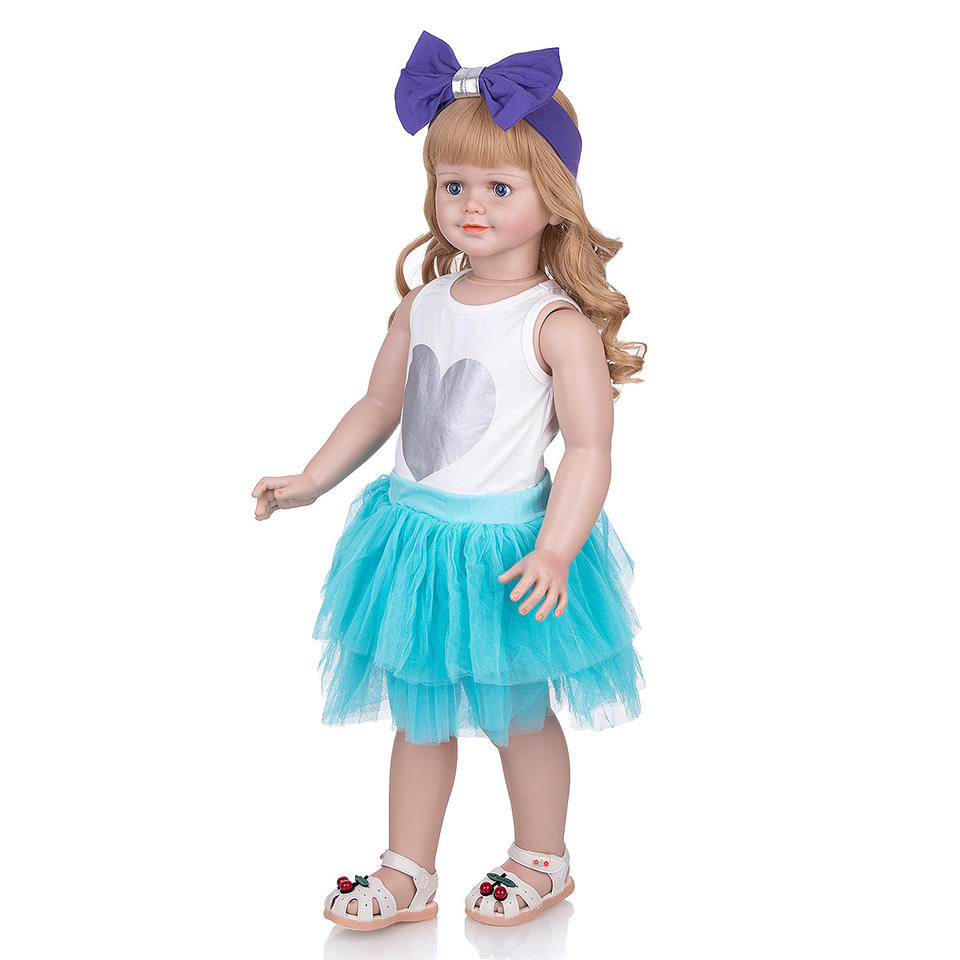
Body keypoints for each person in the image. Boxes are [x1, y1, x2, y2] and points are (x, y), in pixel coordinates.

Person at [251, 30, 647, 931]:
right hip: (414, 540)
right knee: (418, 711)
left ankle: (541, 856)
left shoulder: (555, 325)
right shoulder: (423, 304)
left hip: (508, 550)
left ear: (552, 199)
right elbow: (380, 403)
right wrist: (313, 478)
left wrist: (557, 548)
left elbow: (589, 452)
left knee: (517, 709)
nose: (471, 204)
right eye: (453, 184)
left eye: (500, 188)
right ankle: (408, 869)